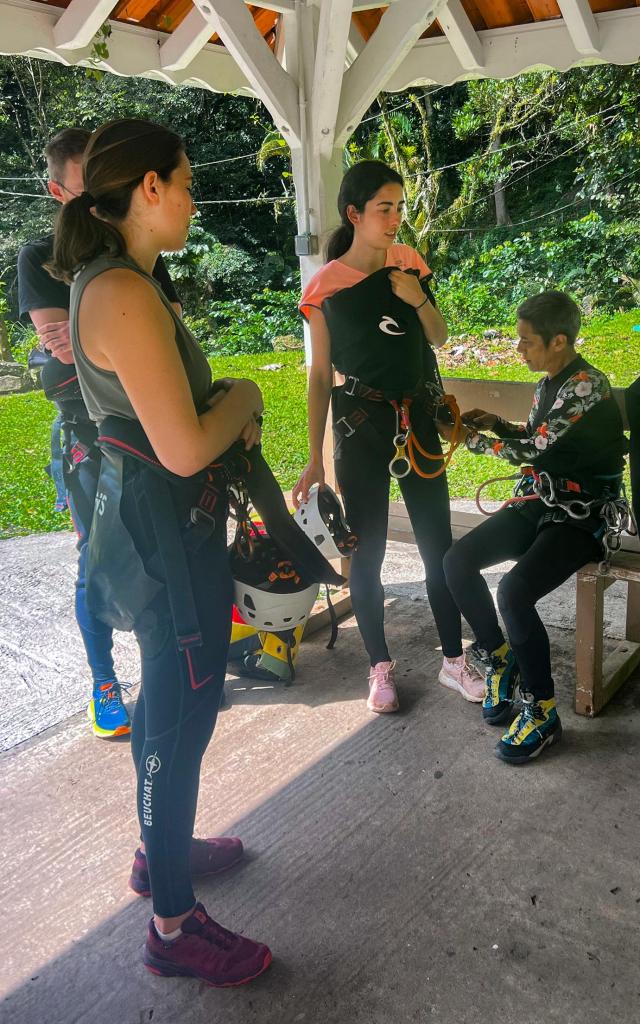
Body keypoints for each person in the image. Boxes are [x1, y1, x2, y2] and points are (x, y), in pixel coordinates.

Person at [51, 118, 272, 985]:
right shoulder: (123, 293)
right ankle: (172, 927)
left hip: (160, 525)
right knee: (181, 716)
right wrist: (247, 393)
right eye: (183, 182)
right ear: (148, 188)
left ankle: (162, 853)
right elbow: (184, 446)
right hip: (163, 527)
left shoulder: (120, 280)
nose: (190, 198)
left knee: (178, 700)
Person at [293, 160, 484, 713]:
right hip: (360, 426)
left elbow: (439, 336)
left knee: (437, 548)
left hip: (417, 420)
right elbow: (319, 374)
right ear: (354, 214)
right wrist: (313, 456)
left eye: (400, 207)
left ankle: (454, 660)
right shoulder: (325, 287)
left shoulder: (409, 265)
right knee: (369, 553)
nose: (396, 218)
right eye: (385, 208)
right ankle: (379, 669)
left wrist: (415, 296)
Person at [18, 127, 182, 739]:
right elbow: (58, 341)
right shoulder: (40, 256)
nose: (99, 201)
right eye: (87, 188)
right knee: (98, 560)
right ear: (58, 190)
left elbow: (168, 330)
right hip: (89, 435)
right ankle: (103, 682)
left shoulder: (135, 256)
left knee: (159, 553)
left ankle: (166, 666)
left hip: (144, 427)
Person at [442, 291, 627, 763]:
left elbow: (534, 452)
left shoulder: (586, 385)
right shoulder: (551, 383)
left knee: (514, 591)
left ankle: (542, 709)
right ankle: (500, 659)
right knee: (456, 561)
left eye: (527, 341)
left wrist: (468, 437)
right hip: (540, 501)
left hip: (581, 517)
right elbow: (536, 436)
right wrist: (499, 424)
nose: (519, 349)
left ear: (559, 341)